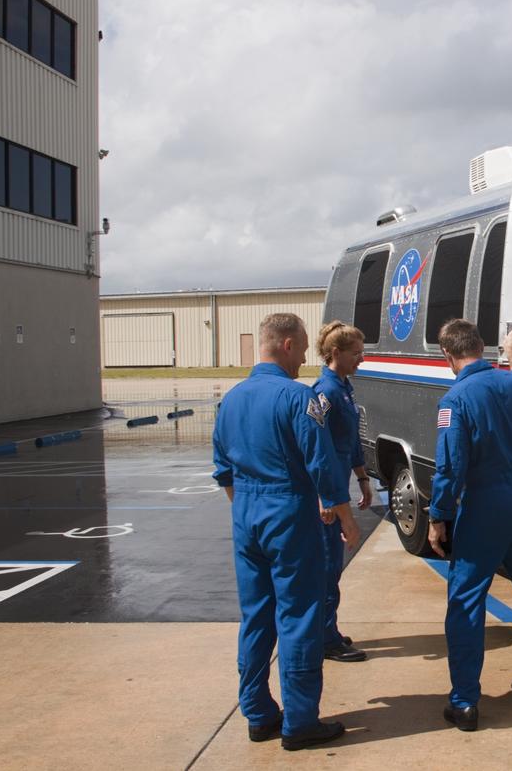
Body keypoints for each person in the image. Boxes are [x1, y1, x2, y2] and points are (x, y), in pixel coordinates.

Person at [212, 312, 360, 751]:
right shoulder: (299, 399)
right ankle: (300, 722)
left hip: (247, 514)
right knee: (298, 616)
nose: (302, 364)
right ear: (290, 345)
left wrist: (247, 514)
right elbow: (321, 463)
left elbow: (223, 470)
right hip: (289, 511)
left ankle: (258, 714)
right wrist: (346, 518)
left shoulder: (231, 400)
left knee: (256, 617)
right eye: (300, 352)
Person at [428, 319, 512, 732]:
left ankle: (465, 700)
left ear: (448, 356)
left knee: (466, 599)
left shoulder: (454, 400)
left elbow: (449, 467)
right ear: (484, 346)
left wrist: (438, 517)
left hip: (485, 502)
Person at [312, 321, 374, 663]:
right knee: (327, 566)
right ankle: (324, 638)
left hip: (340, 485)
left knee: (332, 566)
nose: (361, 359)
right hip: (330, 493)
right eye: (356, 353)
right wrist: (325, 496)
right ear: (335, 353)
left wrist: (363, 478)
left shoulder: (344, 387)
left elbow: (349, 441)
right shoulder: (326, 392)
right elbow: (316, 446)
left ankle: (328, 629)